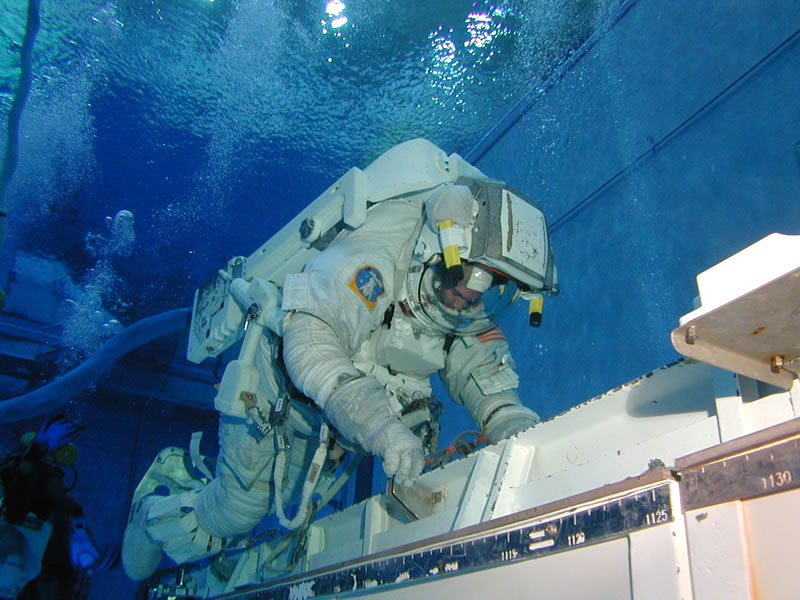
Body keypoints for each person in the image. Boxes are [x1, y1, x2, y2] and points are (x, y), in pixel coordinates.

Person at [122, 144, 557, 581]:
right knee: (238, 512)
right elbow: (312, 338)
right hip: (279, 400)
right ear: (439, 248)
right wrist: (383, 428)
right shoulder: (381, 251)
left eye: (487, 289)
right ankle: (154, 509)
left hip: (335, 422)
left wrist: (511, 423)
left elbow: (481, 364)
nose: (470, 298)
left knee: (286, 513)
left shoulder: (460, 296)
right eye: (466, 281)